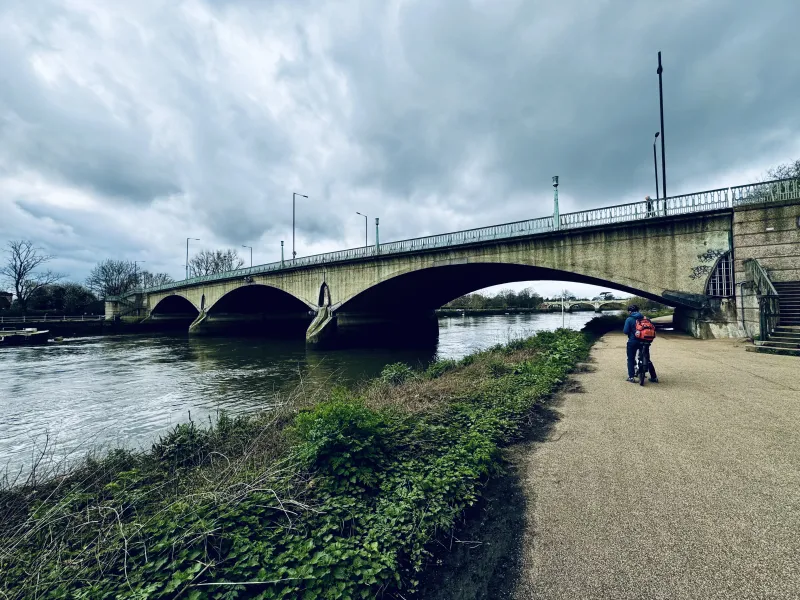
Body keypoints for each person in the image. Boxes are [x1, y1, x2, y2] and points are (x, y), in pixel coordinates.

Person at [623, 304, 658, 383]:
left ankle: (631, 377)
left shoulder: (629, 319)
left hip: (633, 341)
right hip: (645, 341)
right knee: (647, 358)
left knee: (631, 358)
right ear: (638, 311)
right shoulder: (646, 318)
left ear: (629, 311)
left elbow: (625, 331)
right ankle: (654, 377)